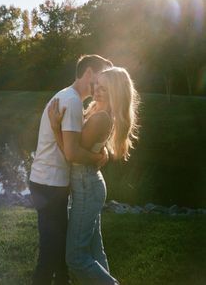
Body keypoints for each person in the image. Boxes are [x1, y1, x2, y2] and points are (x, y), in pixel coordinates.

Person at [48, 66, 140, 285]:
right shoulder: (97, 112)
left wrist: (55, 128)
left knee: (76, 258)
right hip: (88, 184)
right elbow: (88, 150)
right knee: (94, 250)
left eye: (104, 89)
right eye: (97, 85)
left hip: (87, 186)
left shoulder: (100, 118)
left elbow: (73, 155)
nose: (97, 91)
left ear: (115, 93)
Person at [29, 54, 113, 285]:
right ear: (89, 73)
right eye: (100, 76)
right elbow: (72, 153)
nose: (101, 83)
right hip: (49, 183)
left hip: (51, 182)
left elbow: (76, 147)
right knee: (51, 253)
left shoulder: (70, 98)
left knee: (60, 251)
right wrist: (97, 156)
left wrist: (100, 152)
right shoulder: (72, 100)